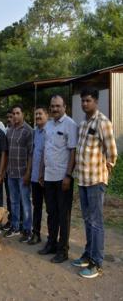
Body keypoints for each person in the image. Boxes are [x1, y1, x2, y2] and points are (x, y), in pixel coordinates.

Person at [72, 88, 117, 279]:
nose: (84, 104)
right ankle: (88, 254)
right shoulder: (82, 124)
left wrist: (107, 169)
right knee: (88, 220)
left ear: (96, 101)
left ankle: (96, 263)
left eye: (88, 100)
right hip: (82, 180)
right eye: (82, 100)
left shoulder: (103, 123)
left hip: (96, 181)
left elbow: (112, 151)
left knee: (97, 223)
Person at [38, 95, 78, 263]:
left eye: (58, 106)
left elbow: (73, 152)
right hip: (48, 177)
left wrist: (68, 176)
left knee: (63, 215)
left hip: (63, 178)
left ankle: (63, 250)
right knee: (51, 213)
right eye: (52, 106)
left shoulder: (70, 125)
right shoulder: (48, 125)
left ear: (64, 107)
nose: (55, 109)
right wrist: (41, 172)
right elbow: (45, 150)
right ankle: (52, 243)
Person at [5, 104, 33, 242]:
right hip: (11, 172)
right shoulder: (9, 130)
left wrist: (28, 173)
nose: (15, 116)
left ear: (23, 115)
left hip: (23, 173)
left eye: (17, 113)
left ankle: (27, 229)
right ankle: (15, 226)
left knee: (25, 202)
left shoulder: (28, 131)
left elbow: (30, 154)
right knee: (14, 201)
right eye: (13, 114)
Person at [28, 106, 48, 245]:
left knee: (52, 210)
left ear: (46, 115)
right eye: (36, 115)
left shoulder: (50, 132)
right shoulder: (35, 133)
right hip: (35, 177)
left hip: (48, 178)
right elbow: (33, 153)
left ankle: (53, 240)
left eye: (40, 114)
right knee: (37, 206)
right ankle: (36, 234)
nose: (38, 117)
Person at [2, 109, 14, 231]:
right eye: (8, 117)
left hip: (18, 171)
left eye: (12, 116)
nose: (10, 119)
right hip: (7, 171)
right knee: (10, 198)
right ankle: (11, 221)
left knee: (18, 199)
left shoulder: (24, 131)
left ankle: (19, 223)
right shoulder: (6, 132)